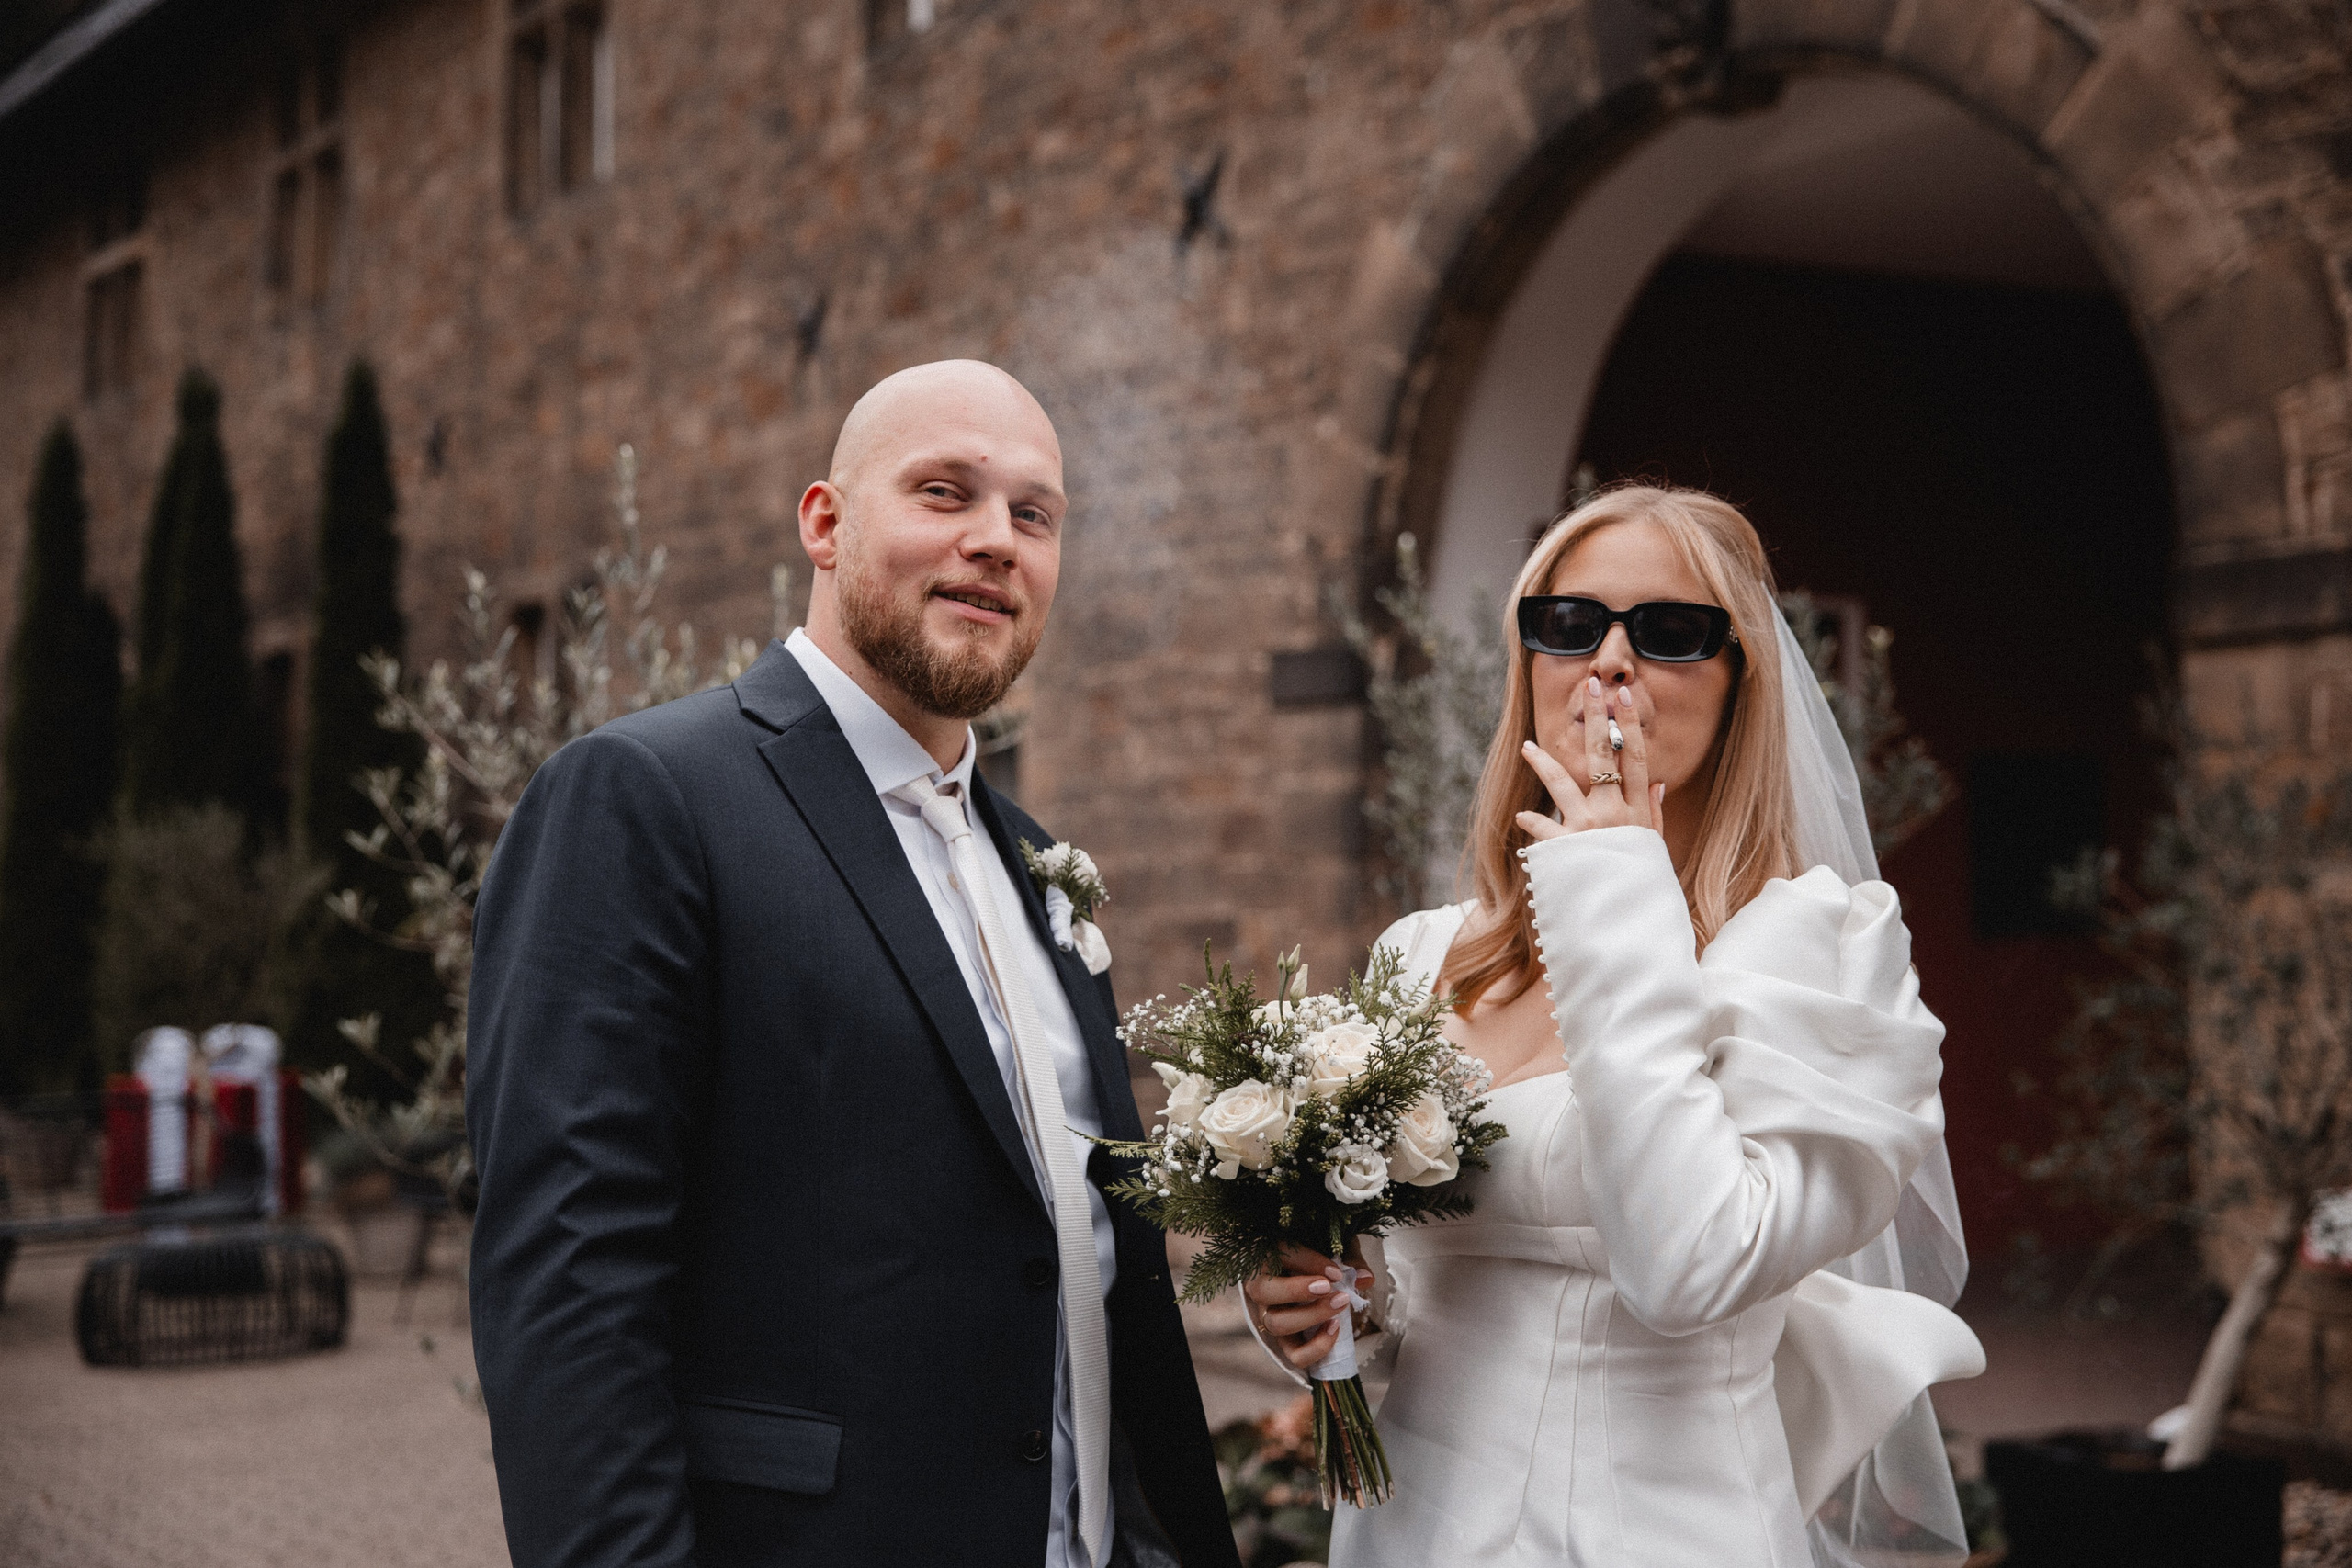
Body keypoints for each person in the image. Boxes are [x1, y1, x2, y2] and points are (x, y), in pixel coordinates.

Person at [468, 361, 1239, 1568]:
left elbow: (1076, 1261)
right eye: (946, 492)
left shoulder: (1040, 860)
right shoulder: (649, 797)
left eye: (1034, 514)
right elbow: (575, 1280)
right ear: (824, 522)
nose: (996, 540)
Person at [1249, 485, 1983, 1566]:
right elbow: (1423, 1304)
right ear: (1529, 662)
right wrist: (1334, 1317)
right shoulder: (1424, 956)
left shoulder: (1820, 952)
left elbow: (1688, 1266)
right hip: (1410, 1532)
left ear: (1743, 684)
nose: (1608, 663)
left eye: (1672, 633)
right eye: (1569, 623)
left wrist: (1615, 893)